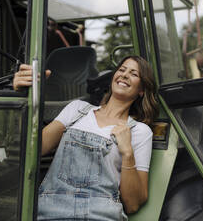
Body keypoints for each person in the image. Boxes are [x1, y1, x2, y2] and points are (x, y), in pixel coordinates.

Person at [13, 56, 158, 220]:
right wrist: (24, 95)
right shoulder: (77, 110)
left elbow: (132, 204)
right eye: (122, 70)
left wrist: (127, 153)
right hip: (50, 214)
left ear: (142, 90)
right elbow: (32, 150)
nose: (124, 75)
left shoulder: (140, 131)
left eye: (134, 74)